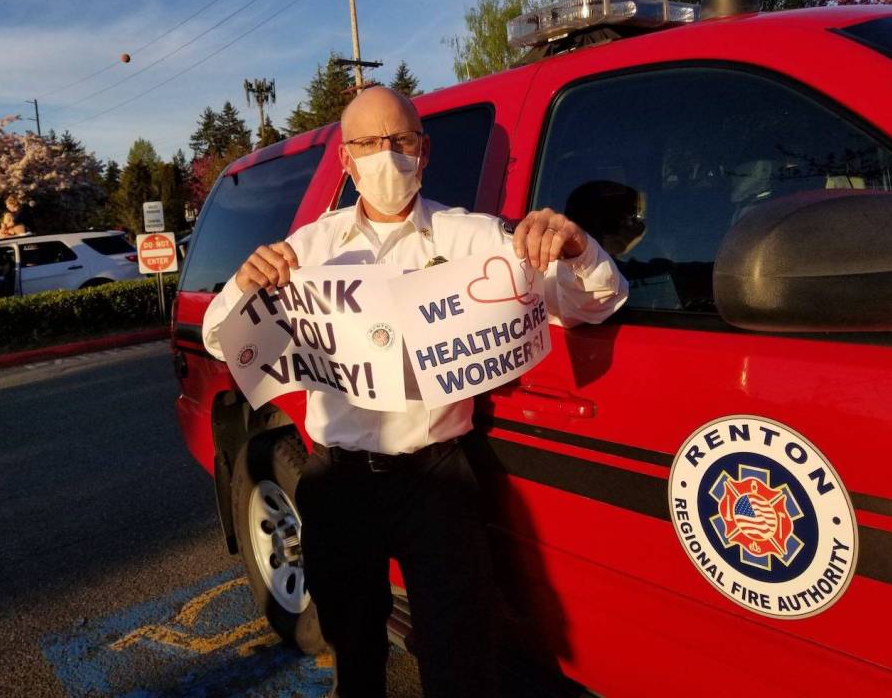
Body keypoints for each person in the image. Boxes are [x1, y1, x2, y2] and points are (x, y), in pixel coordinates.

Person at [201, 87, 628, 698]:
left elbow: (595, 302)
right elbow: (221, 338)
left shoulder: (474, 238)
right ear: (346, 161)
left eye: (400, 140)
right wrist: (244, 285)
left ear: (423, 152)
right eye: (369, 143)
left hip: (438, 481)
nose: (387, 155)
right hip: (339, 481)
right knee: (354, 650)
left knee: (461, 655)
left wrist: (576, 247)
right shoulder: (307, 250)